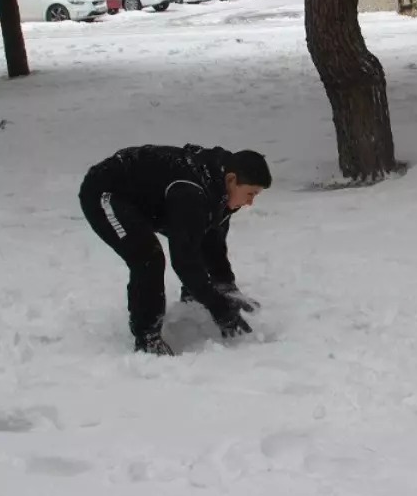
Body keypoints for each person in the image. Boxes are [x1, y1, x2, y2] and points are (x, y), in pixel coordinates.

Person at [78, 144, 272, 356]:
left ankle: (193, 301)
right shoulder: (191, 193)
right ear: (232, 179)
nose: (250, 202)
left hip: (149, 202)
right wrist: (221, 310)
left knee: (195, 234)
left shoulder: (221, 189)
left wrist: (224, 285)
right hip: (106, 193)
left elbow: (211, 239)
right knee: (148, 257)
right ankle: (147, 338)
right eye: (250, 194)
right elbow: (184, 261)